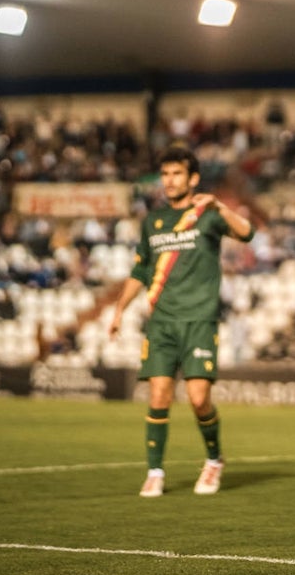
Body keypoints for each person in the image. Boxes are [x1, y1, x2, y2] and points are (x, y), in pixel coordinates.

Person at [108, 146, 254, 497]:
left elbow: (246, 233)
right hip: (161, 322)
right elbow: (140, 270)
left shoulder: (206, 214)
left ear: (193, 178)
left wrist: (219, 206)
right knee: (158, 395)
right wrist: (118, 310)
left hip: (199, 321)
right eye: (166, 174)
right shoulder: (153, 221)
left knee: (199, 398)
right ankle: (155, 471)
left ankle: (214, 460)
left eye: (177, 174)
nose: (169, 180)